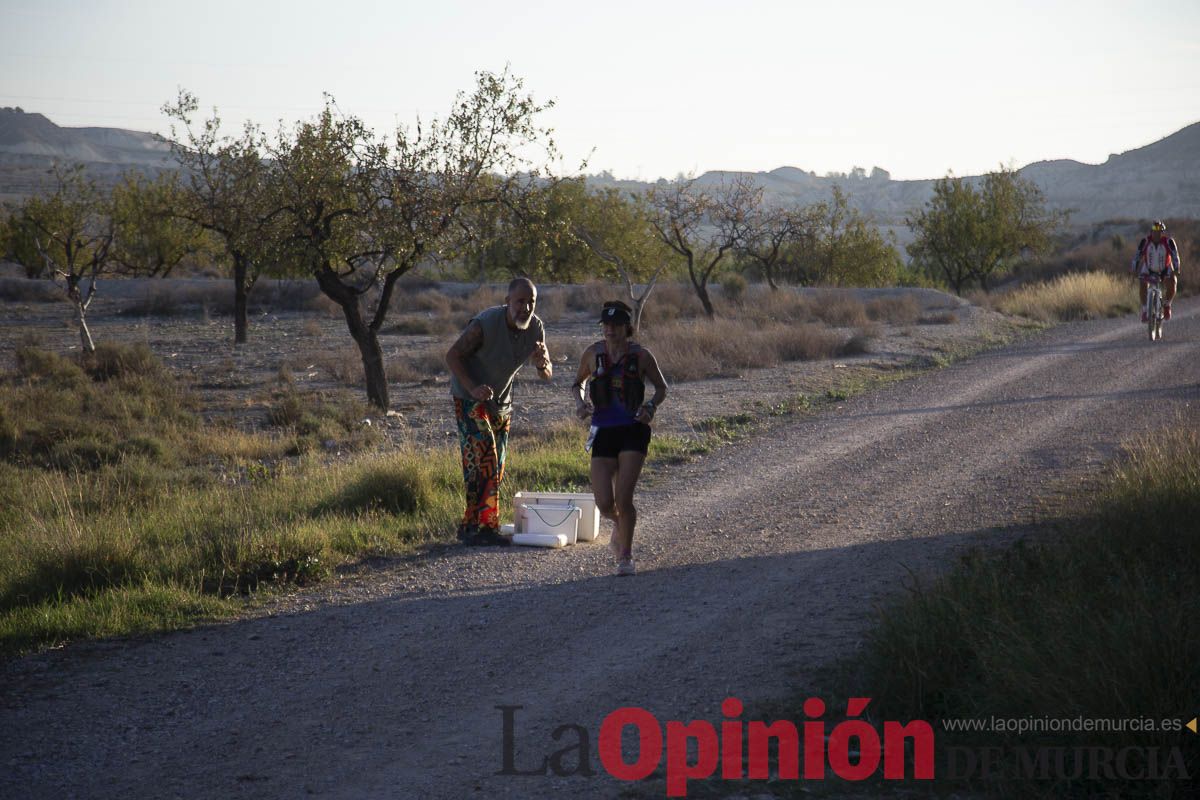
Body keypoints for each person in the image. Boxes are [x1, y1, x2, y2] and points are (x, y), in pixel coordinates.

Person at [445, 277, 553, 546]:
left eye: (531, 303)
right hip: (469, 397)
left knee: (496, 466)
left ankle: (472, 527)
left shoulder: (535, 328)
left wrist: (542, 364)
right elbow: (452, 356)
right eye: (520, 302)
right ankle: (484, 529)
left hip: (501, 402)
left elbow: (547, 373)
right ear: (507, 302)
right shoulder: (485, 324)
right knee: (485, 457)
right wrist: (473, 389)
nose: (525, 308)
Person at [572, 301, 668, 576]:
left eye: (615, 325)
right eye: (606, 325)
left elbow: (662, 388)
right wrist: (580, 404)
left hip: (633, 430)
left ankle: (625, 556)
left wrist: (650, 407)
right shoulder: (593, 354)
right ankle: (618, 524)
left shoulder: (642, 357)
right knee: (604, 502)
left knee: (624, 499)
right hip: (603, 431)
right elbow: (577, 383)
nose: (610, 330)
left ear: (628, 328)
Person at [1132, 220, 1181, 322]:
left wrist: (1176, 269)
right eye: (1154, 231)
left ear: (1163, 233)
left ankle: (1167, 305)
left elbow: (1175, 255)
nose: (1156, 234)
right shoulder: (1145, 241)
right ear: (1151, 232)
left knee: (1173, 282)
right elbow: (1137, 256)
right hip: (1148, 268)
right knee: (1142, 284)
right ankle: (1145, 310)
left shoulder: (1169, 242)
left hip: (1165, 268)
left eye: (1159, 231)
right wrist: (1134, 269)